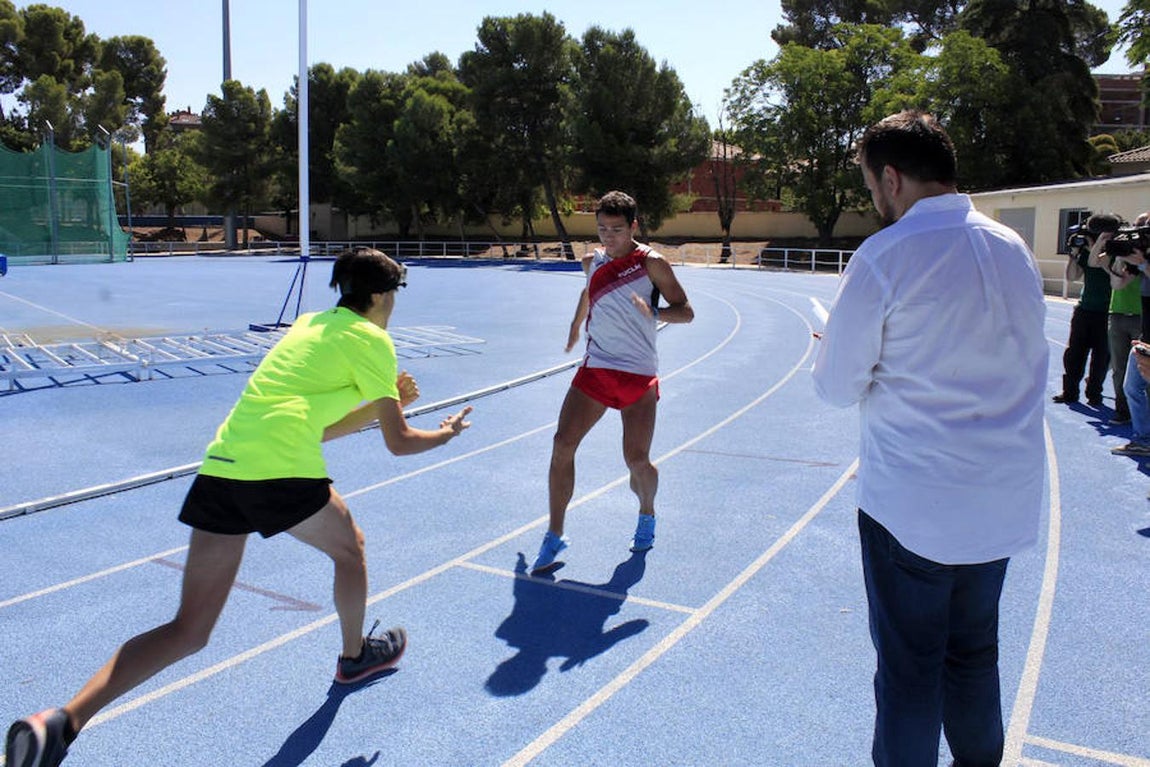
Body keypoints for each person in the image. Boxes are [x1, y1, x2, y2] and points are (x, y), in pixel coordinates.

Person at [6, 247, 473, 767]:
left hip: (225, 464)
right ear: (385, 295)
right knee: (351, 549)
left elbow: (320, 428)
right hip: (278, 470)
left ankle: (60, 723)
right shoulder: (373, 340)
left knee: (188, 629)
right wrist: (445, 432)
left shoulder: (309, 326)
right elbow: (400, 443)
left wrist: (388, 404)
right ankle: (354, 657)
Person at [812, 111, 1047, 767]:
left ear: (891, 177)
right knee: (974, 654)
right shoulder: (1012, 248)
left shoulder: (885, 256)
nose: (872, 199)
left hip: (914, 504)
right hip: (1002, 498)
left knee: (911, 670)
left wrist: (834, 345)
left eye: (869, 185)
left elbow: (836, 386)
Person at [530, 190, 694, 576]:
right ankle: (555, 533)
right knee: (561, 444)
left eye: (617, 230)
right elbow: (590, 290)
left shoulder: (652, 264)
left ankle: (647, 512)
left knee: (636, 460)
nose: (608, 237)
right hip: (598, 366)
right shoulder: (592, 260)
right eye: (602, 229)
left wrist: (652, 310)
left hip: (637, 373)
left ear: (634, 226)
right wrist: (575, 324)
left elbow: (686, 312)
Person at [1052, 214, 1112, 407]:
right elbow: (1071, 277)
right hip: (1084, 309)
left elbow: (1102, 267)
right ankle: (1069, 392)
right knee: (1074, 354)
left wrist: (1099, 245)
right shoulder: (1085, 253)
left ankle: (1094, 394)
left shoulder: (1112, 253)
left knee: (1101, 357)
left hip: (1106, 311)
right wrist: (1074, 255)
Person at [1102, 215, 1146, 425]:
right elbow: (1117, 284)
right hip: (1121, 316)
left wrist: (1144, 263)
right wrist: (1121, 256)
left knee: (1142, 375)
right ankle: (1125, 413)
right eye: (1138, 225)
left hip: (1141, 319)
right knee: (1123, 372)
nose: (1140, 230)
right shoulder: (1132, 256)